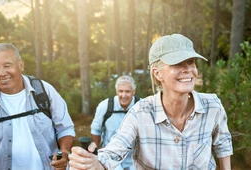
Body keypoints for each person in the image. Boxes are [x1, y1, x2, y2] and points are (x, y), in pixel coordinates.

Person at [68, 34, 233, 170]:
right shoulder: (140, 112)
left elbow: (223, 144)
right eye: (177, 63)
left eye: (190, 62)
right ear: (158, 73)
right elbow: (113, 151)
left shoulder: (212, 105)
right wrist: (93, 162)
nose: (188, 69)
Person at [0, 43, 76, 170]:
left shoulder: (44, 91)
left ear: (21, 65)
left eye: (7, 65)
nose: (1, 73)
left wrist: (64, 153)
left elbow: (65, 128)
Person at [90, 75, 138, 170]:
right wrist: (96, 152)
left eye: (127, 91)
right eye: (121, 91)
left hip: (134, 157)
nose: (123, 95)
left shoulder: (141, 106)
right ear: (116, 91)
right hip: (111, 156)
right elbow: (96, 130)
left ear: (134, 92)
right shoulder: (105, 106)